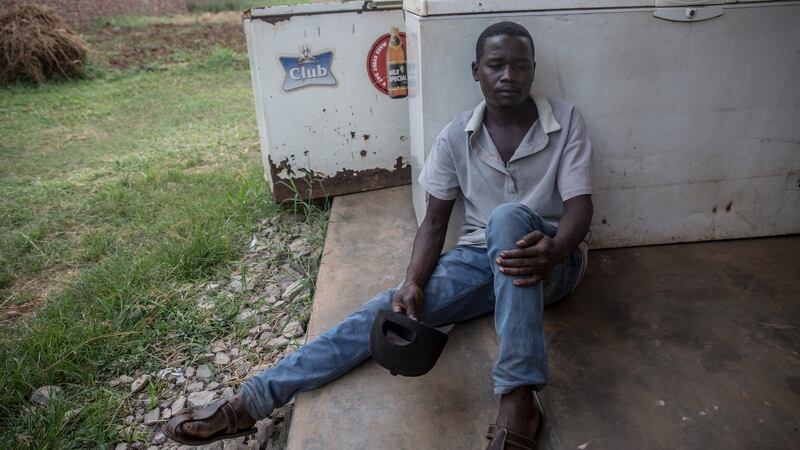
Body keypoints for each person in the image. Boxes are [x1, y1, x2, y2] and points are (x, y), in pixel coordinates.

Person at [165, 21, 593, 450]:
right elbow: (434, 224)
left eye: (520, 66)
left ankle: (517, 398)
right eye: (496, 65)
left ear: (534, 70)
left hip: (552, 257)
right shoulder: (454, 137)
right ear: (475, 70)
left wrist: (556, 250)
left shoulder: (566, 120)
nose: (508, 76)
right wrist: (412, 282)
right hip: (480, 261)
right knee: (386, 310)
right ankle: (249, 403)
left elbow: (579, 207)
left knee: (506, 218)